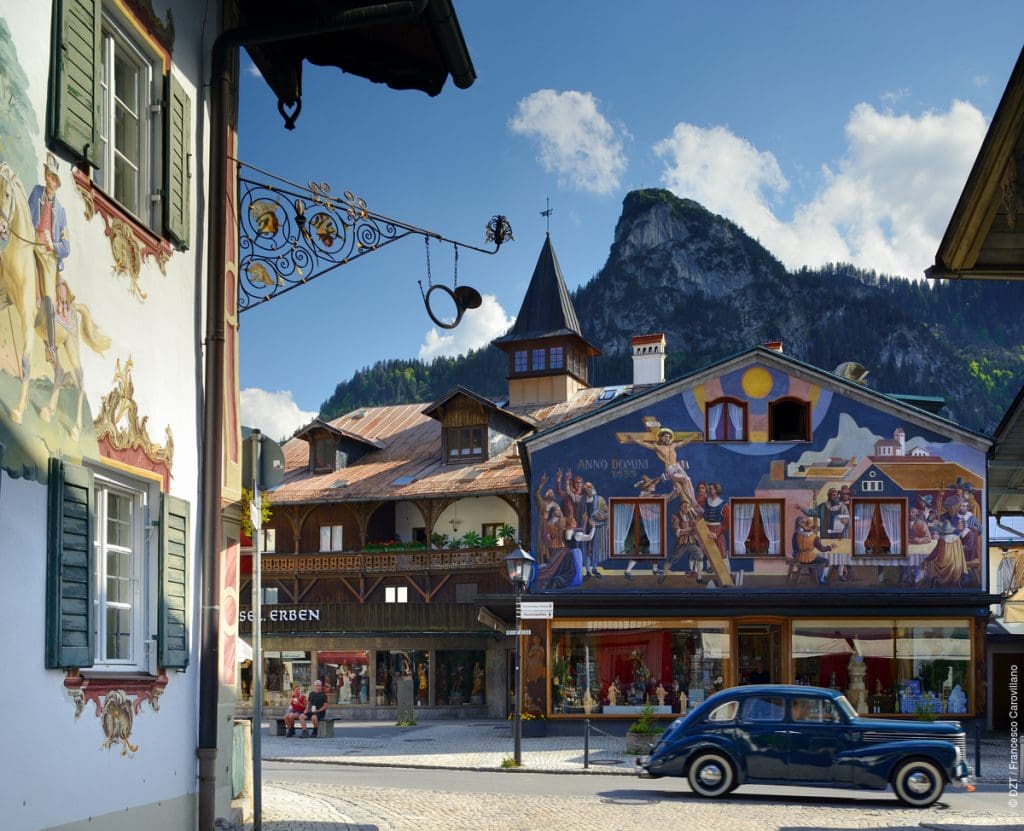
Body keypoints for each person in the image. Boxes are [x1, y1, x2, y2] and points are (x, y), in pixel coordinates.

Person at [27, 152, 71, 365]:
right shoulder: (36, 193)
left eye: (53, 178)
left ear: (57, 183)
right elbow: (27, 216)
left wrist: (52, 245)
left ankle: (51, 347)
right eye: (47, 175)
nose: (49, 180)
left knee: (47, 296)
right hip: (32, 242)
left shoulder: (61, 212)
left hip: (49, 254)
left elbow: (66, 248)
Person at [792, 512, 834, 585]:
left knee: (816, 558)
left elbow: (796, 547)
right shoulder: (815, 537)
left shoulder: (798, 534)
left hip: (800, 558)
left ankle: (815, 577)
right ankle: (821, 579)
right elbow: (822, 549)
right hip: (809, 558)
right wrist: (830, 547)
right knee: (826, 561)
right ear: (812, 528)